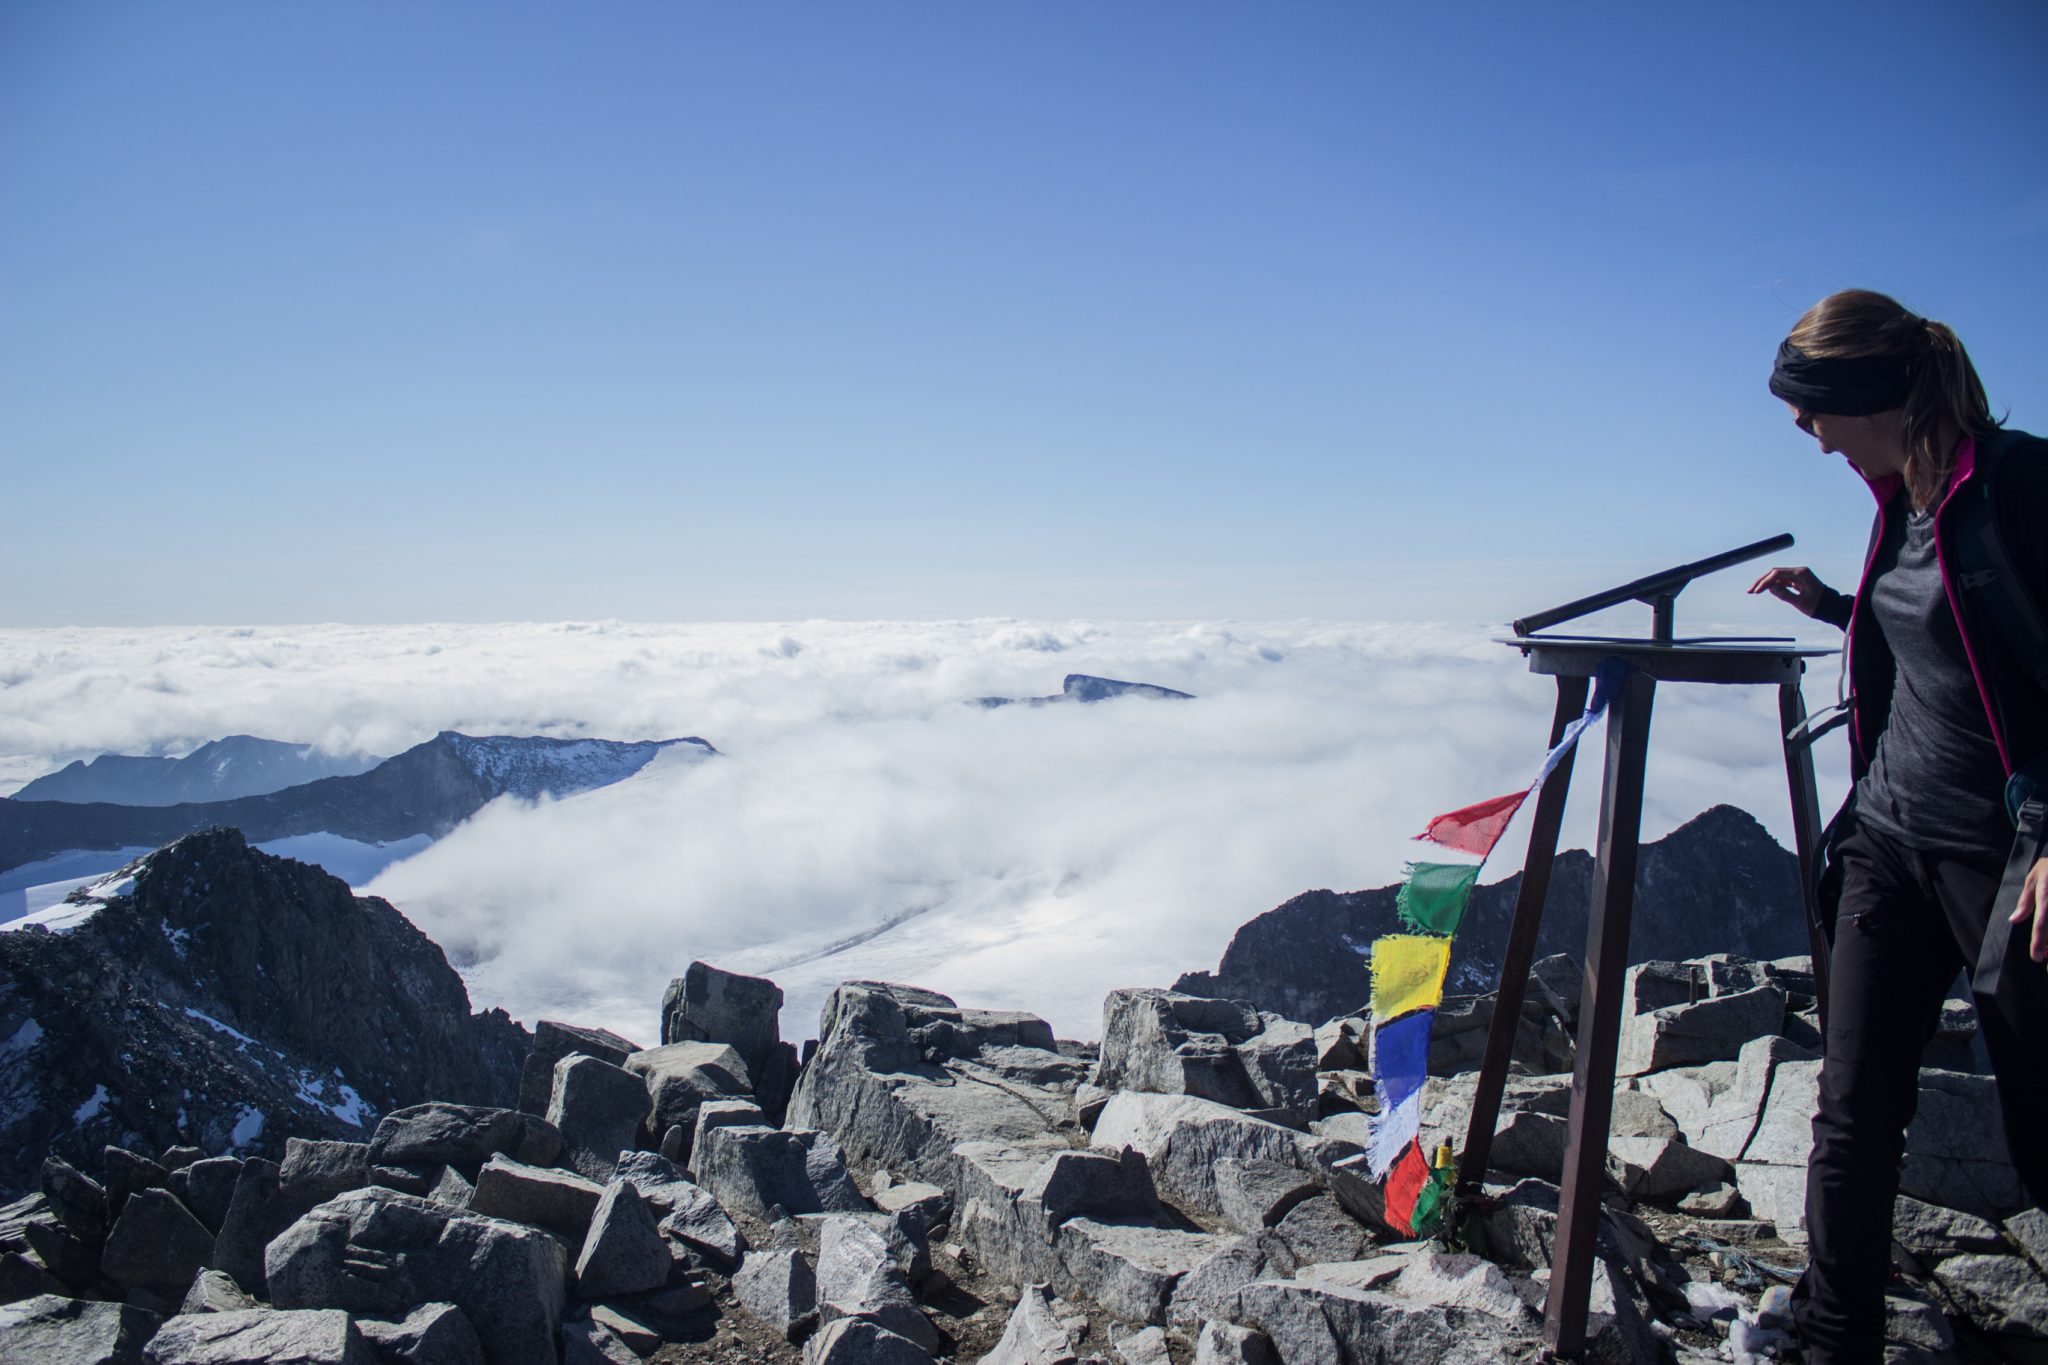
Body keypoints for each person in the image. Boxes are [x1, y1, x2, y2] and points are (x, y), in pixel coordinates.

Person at [1747, 288, 2047, 1363]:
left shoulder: (2014, 483)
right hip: (1887, 838)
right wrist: (1836, 606)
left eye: (1805, 407)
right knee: (1851, 1113)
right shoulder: (1900, 495)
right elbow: (1939, 630)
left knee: (2039, 1128)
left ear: (1863, 393)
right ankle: (1834, 1344)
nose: (1799, 431)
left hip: (2001, 859)